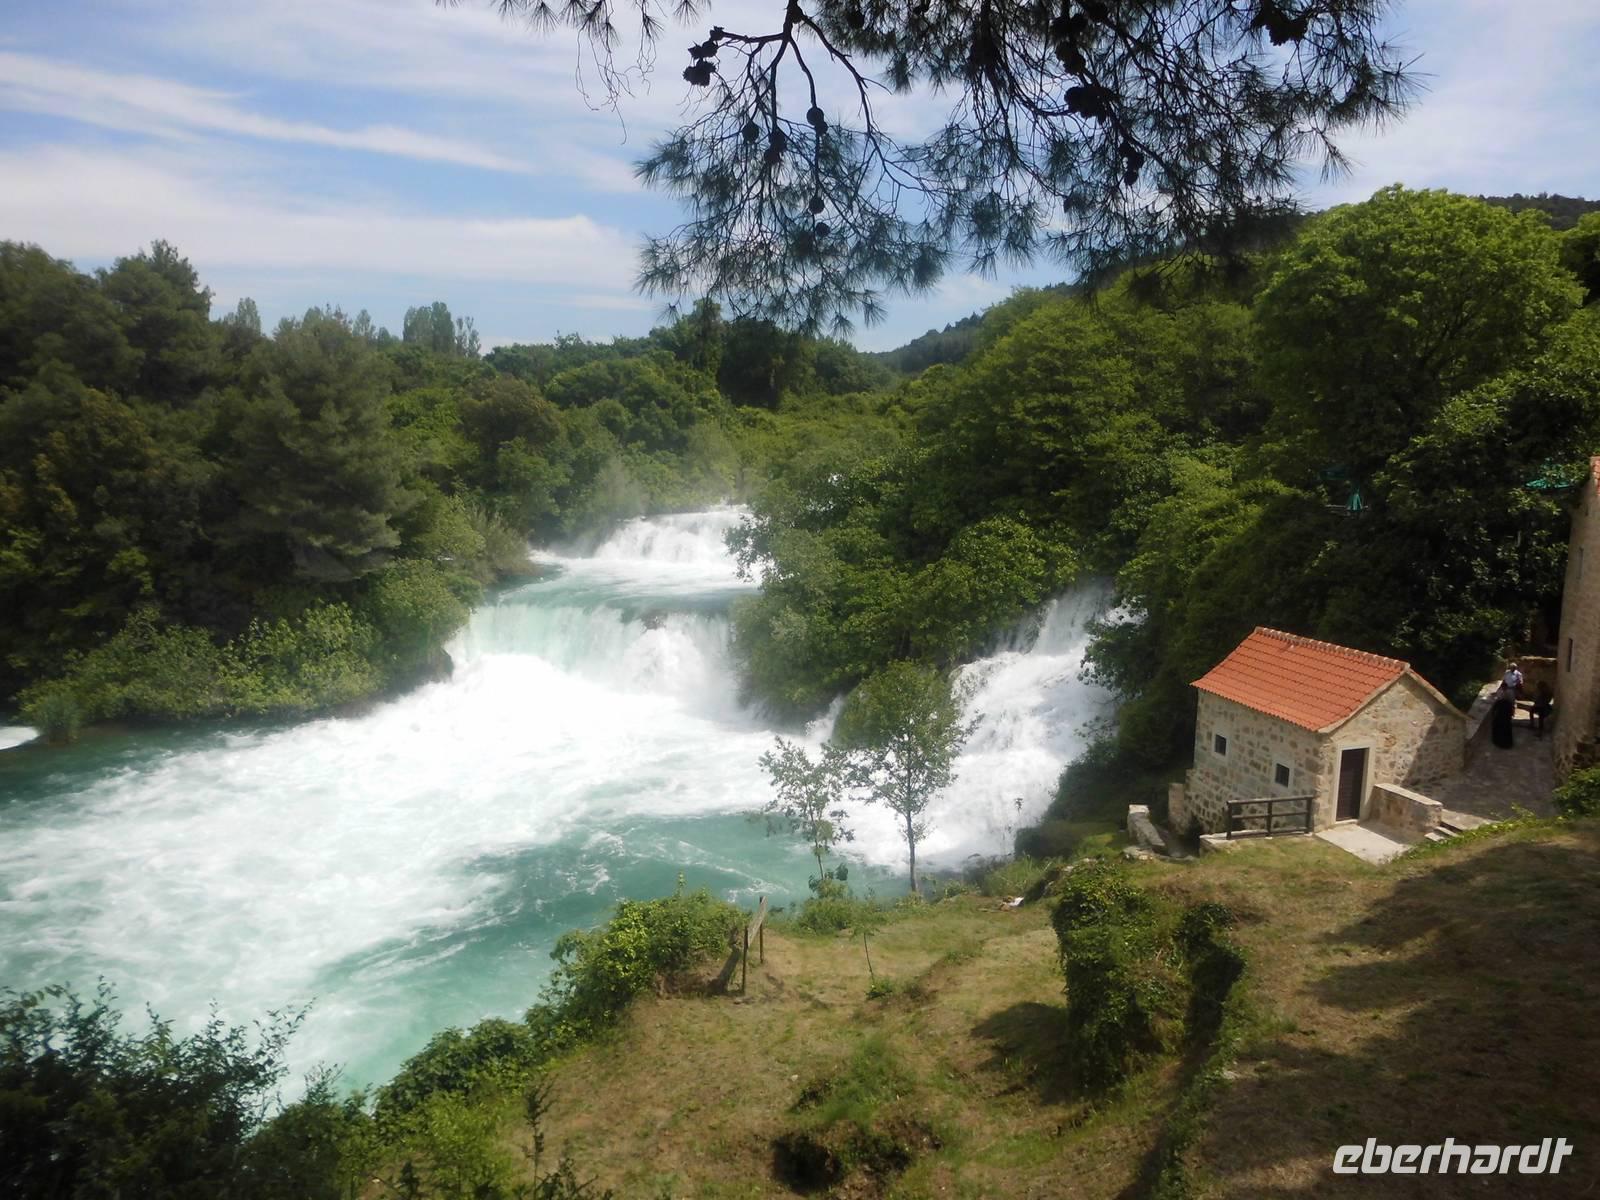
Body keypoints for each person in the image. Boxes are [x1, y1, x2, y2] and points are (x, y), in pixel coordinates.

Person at [1491, 683, 1516, 749]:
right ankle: (1499, 741)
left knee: (1505, 727)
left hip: (1505, 710)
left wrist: (1512, 712)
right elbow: (1497, 701)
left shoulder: (1510, 693)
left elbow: (1512, 703)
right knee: (1499, 726)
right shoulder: (1500, 692)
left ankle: (1504, 742)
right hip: (1502, 710)